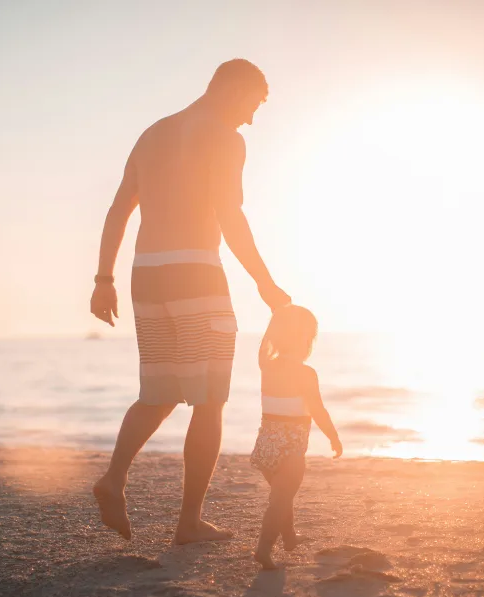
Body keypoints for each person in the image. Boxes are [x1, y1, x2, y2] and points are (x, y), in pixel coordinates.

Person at [89, 59, 291, 545]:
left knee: (158, 393)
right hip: (197, 272)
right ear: (234, 88)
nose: (250, 119)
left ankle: (113, 478)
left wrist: (103, 278)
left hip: (147, 275)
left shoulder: (153, 133)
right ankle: (188, 523)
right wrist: (265, 283)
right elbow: (231, 217)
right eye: (253, 104)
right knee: (209, 399)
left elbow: (119, 209)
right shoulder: (225, 137)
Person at [250, 305, 342, 569]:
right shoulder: (306, 373)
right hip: (290, 447)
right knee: (280, 499)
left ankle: (289, 537)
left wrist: (276, 317)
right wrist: (333, 437)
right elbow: (318, 410)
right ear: (306, 342)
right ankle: (264, 549)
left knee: (282, 494)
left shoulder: (267, 366)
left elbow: (263, 345)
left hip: (266, 445)